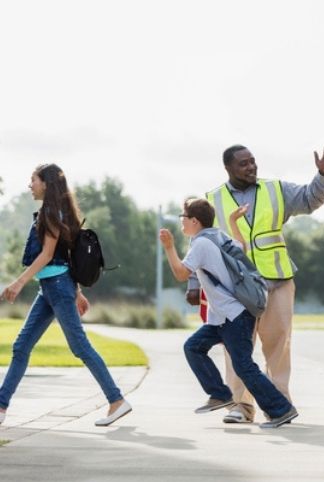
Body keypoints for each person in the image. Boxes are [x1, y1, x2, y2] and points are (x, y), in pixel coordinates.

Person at [186, 144, 324, 424]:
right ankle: (241, 406)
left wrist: (322, 175)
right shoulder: (212, 200)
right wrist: (193, 282)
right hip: (235, 290)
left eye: (253, 162)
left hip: (276, 281)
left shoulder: (275, 189)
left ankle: (279, 404)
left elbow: (309, 198)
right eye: (243, 163)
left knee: (278, 345)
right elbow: (200, 242)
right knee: (235, 348)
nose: (251, 167)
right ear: (228, 168)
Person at [0, 164, 131, 427]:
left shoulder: (50, 212)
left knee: (79, 346)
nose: (30, 185)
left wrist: (19, 282)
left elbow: (48, 255)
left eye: (33, 180)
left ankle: (116, 400)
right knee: (21, 346)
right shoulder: (55, 211)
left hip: (57, 287)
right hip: (54, 287)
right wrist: (77, 292)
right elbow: (64, 256)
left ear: (46, 183)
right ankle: (1, 406)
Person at [160, 198, 297, 428]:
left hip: (235, 316)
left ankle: (281, 409)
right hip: (223, 318)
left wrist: (169, 247)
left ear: (194, 221)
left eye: (183, 217)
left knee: (243, 365)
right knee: (193, 347)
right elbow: (241, 246)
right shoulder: (218, 236)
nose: (181, 222)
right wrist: (233, 221)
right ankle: (220, 394)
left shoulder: (201, 244)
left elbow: (182, 274)